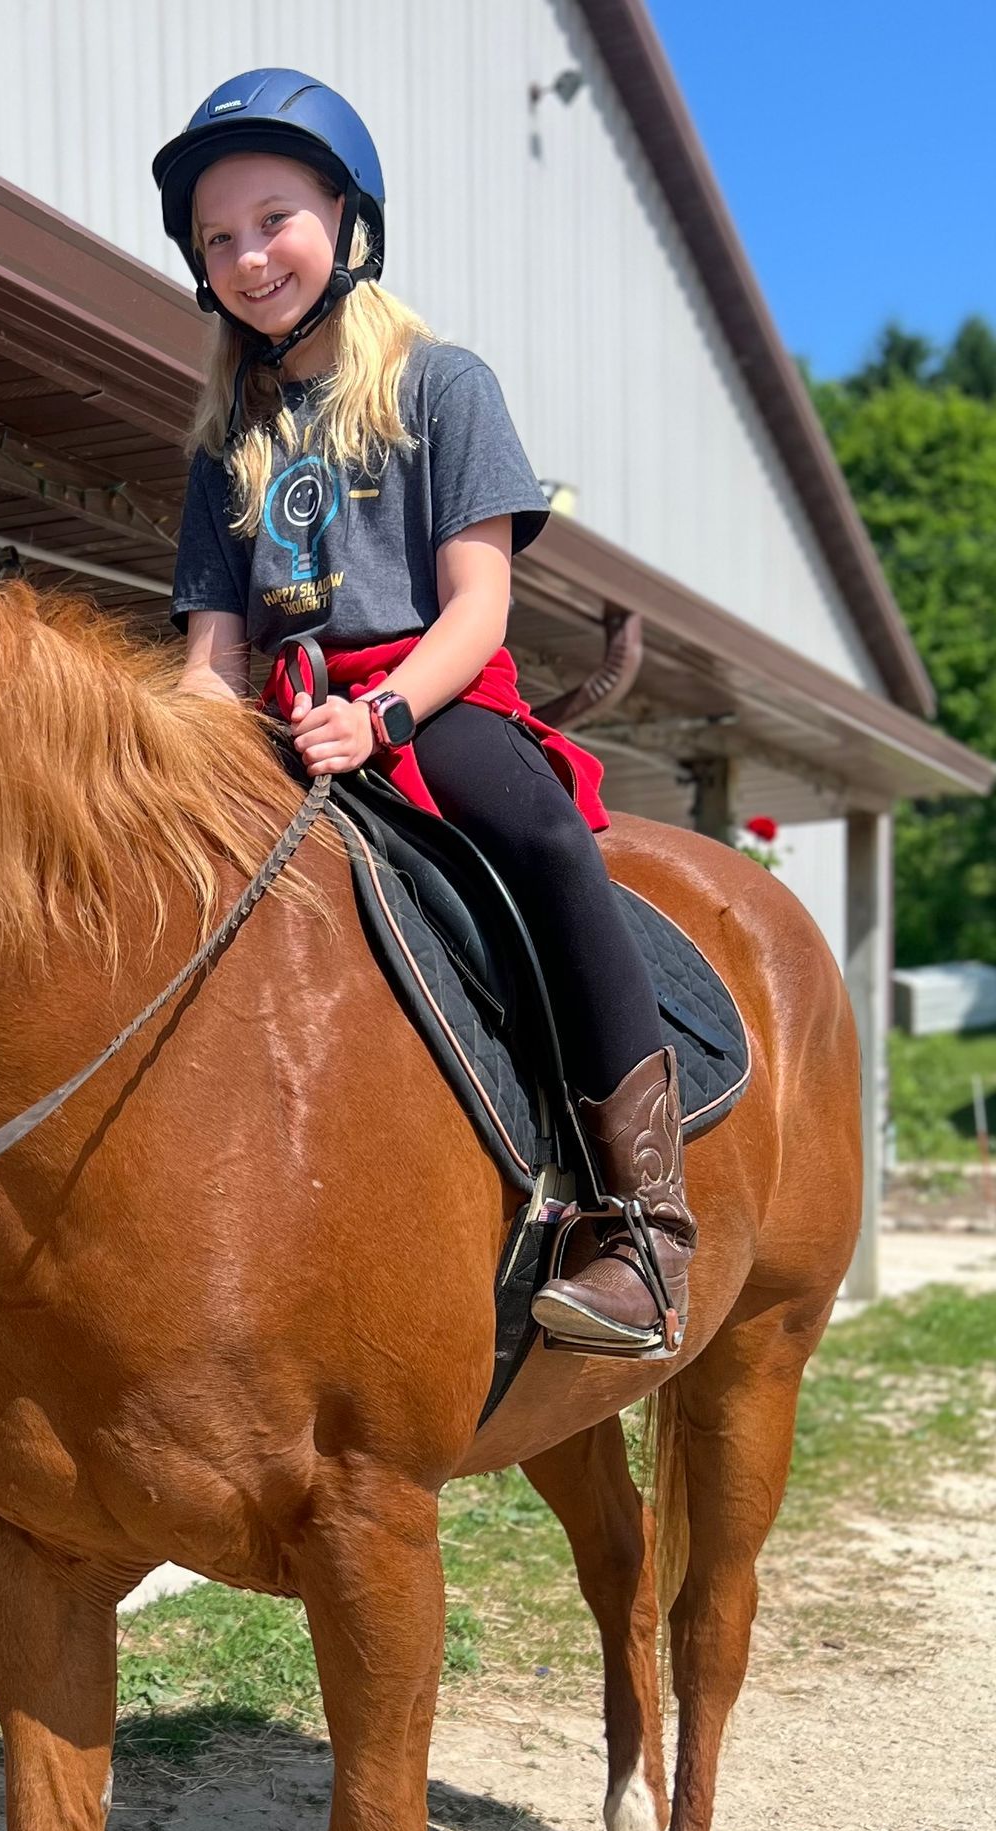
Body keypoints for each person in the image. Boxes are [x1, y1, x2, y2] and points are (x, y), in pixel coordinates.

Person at [155, 69, 695, 1358]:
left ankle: (644, 1219)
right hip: (279, 719)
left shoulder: (446, 388)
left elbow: (477, 613)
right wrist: (159, 764)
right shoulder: (225, 448)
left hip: (425, 696)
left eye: (272, 219)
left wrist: (384, 717)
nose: (246, 257)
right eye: (217, 239)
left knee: (544, 840)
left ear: (348, 221)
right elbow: (211, 657)